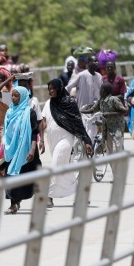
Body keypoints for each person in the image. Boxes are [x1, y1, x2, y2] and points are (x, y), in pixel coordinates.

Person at [39, 79, 92, 208]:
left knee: (55, 164)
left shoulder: (70, 103)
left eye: (53, 88)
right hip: (52, 140)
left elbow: (78, 123)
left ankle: (49, 197)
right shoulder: (48, 104)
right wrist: (40, 139)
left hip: (66, 140)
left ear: (59, 88)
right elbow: (44, 122)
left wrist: (86, 141)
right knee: (63, 170)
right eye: (49, 88)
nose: (51, 91)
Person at [0, 87, 41, 215]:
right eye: (12, 96)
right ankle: (13, 203)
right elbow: (6, 132)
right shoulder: (9, 112)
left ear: (23, 97)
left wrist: (32, 150)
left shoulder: (29, 113)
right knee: (10, 176)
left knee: (22, 176)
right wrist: (4, 147)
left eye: (16, 96)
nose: (13, 98)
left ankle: (17, 200)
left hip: (25, 150)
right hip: (11, 149)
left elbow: (34, 132)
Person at [81, 82, 127, 155]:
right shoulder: (101, 100)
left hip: (117, 128)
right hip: (107, 128)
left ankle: (120, 162)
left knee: (117, 147)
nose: (99, 91)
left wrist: (110, 114)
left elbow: (124, 111)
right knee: (110, 149)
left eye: (101, 89)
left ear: (103, 90)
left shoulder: (114, 100)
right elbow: (93, 109)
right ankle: (114, 164)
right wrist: (81, 111)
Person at [66, 54, 103, 141]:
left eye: (97, 61)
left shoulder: (99, 76)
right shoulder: (81, 75)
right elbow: (67, 88)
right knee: (87, 134)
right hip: (83, 110)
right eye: (94, 61)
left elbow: (102, 93)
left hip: (96, 110)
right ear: (88, 63)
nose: (97, 63)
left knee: (94, 135)